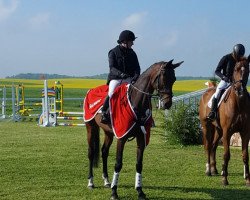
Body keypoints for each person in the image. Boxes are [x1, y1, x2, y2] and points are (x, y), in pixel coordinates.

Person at [101, 30, 141, 124]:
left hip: (129, 79)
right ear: (125, 41)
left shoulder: (132, 53)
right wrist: (121, 74)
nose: (133, 43)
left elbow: (137, 67)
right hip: (116, 79)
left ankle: (141, 114)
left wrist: (135, 77)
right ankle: (104, 113)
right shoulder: (113, 52)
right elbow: (112, 68)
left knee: (138, 93)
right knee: (111, 93)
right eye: (131, 41)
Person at [207, 43, 245, 120]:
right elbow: (217, 71)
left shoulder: (241, 60)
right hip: (226, 81)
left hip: (237, 82)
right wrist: (224, 77)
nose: (238, 58)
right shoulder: (226, 58)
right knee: (218, 91)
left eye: (240, 56)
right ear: (234, 52)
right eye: (238, 56)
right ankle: (213, 112)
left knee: (245, 93)